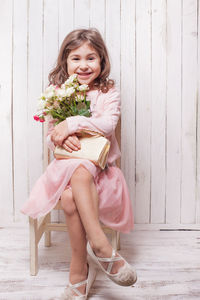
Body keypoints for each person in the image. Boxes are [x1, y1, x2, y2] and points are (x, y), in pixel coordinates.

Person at [21, 28, 137, 300]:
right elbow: (52, 136)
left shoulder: (108, 91)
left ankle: (79, 271)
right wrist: (61, 139)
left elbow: (108, 125)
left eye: (91, 58)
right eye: (76, 58)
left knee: (72, 194)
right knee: (77, 170)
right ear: (65, 61)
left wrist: (72, 123)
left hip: (103, 171)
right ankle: (100, 246)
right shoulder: (57, 92)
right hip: (64, 168)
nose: (83, 65)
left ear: (101, 61)